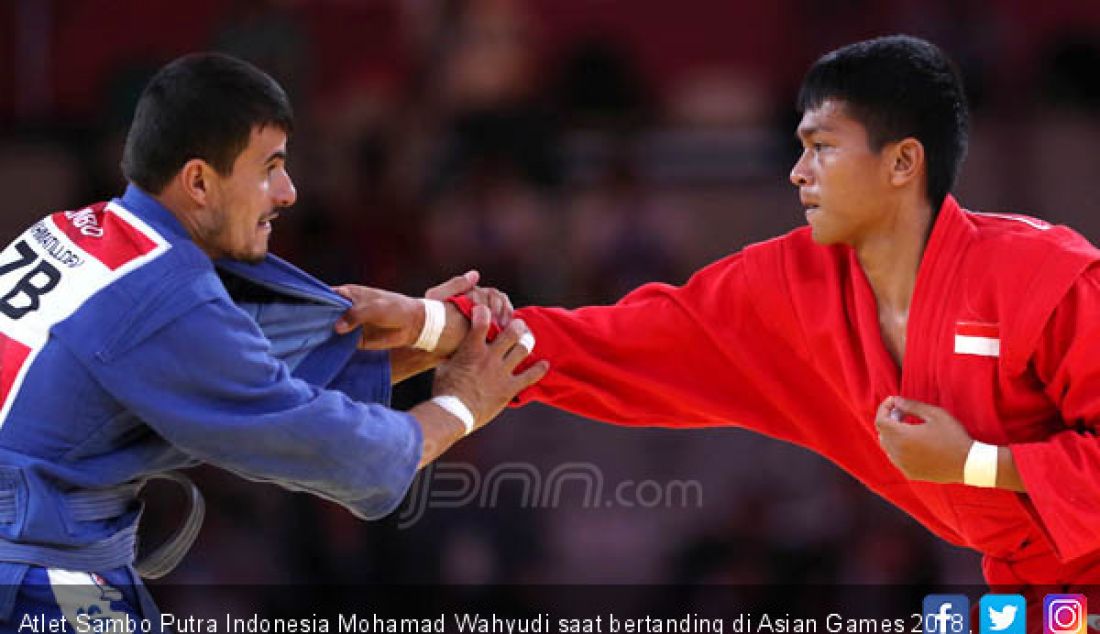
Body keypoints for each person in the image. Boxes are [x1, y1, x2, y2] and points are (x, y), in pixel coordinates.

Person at [344, 35, 1100, 610]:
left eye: (822, 150)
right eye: (799, 149)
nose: (798, 174)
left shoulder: (1049, 277)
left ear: (904, 164)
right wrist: (430, 322)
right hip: (1025, 596)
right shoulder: (783, 286)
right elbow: (606, 346)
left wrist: (973, 463)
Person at [0, 52, 546, 627]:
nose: (286, 192)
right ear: (199, 181)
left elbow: (251, 381)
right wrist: (463, 405)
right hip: (31, 567)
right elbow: (333, 450)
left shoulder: (77, 232)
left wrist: (430, 334)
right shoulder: (164, 300)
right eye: (270, 168)